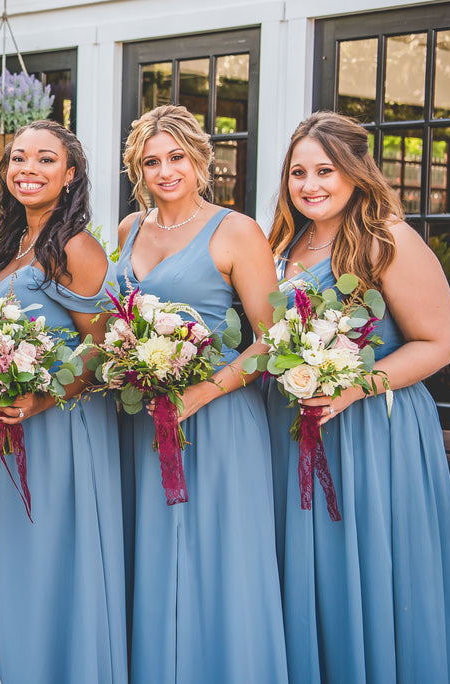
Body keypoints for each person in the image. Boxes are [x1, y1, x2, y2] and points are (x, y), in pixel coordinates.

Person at [266, 111, 450, 684]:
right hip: (299, 429)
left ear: (357, 172)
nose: (310, 185)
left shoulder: (388, 237)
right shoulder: (286, 242)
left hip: (373, 431)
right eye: (298, 172)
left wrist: (354, 386)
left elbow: (438, 345)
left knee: (368, 569)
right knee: (309, 572)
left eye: (325, 171)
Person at [116, 104, 287, 683]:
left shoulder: (236, 230)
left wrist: (203, 392)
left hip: (217, 421)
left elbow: (273, 340)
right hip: (145, 420)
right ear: (137, 170)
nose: (165, 171)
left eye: (176, 158)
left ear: (200, 160)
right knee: (158, 555)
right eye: (151, 161)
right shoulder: (128, 230)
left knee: (219, 559)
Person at [0, 119, 128, 684]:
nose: (28, 170)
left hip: (60, 425)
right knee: (14, 562)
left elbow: (103, 341)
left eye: (44, 160)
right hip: (6, 426)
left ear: (69, 175)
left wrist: (44, 397)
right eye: (18, 159)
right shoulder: (10, 243)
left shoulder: (75, 246)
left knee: (52, 557)